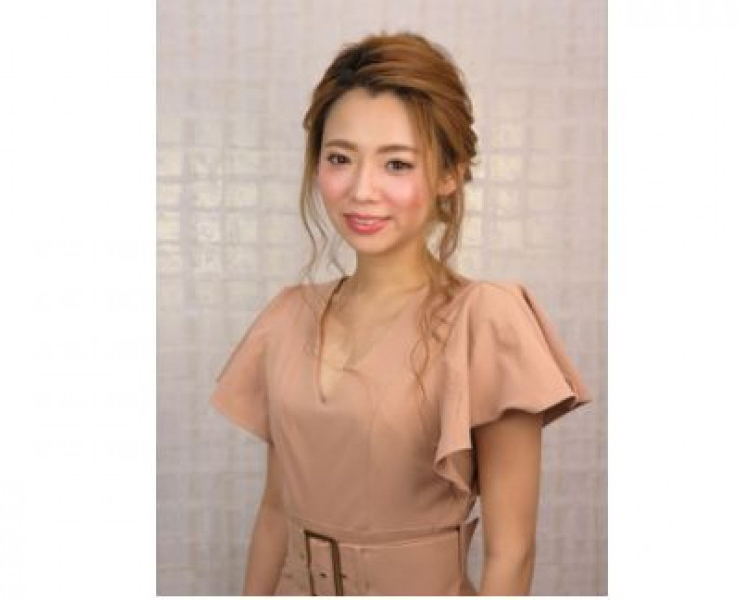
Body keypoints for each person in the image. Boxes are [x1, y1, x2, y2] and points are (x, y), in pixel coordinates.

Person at [210, 31, 592, 596]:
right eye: (340, 158)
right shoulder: (287, 317)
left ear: (449, 173)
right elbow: (274, 511)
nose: (361, 190)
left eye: (396, 164)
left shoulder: (486, 322)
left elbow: (512, 554)